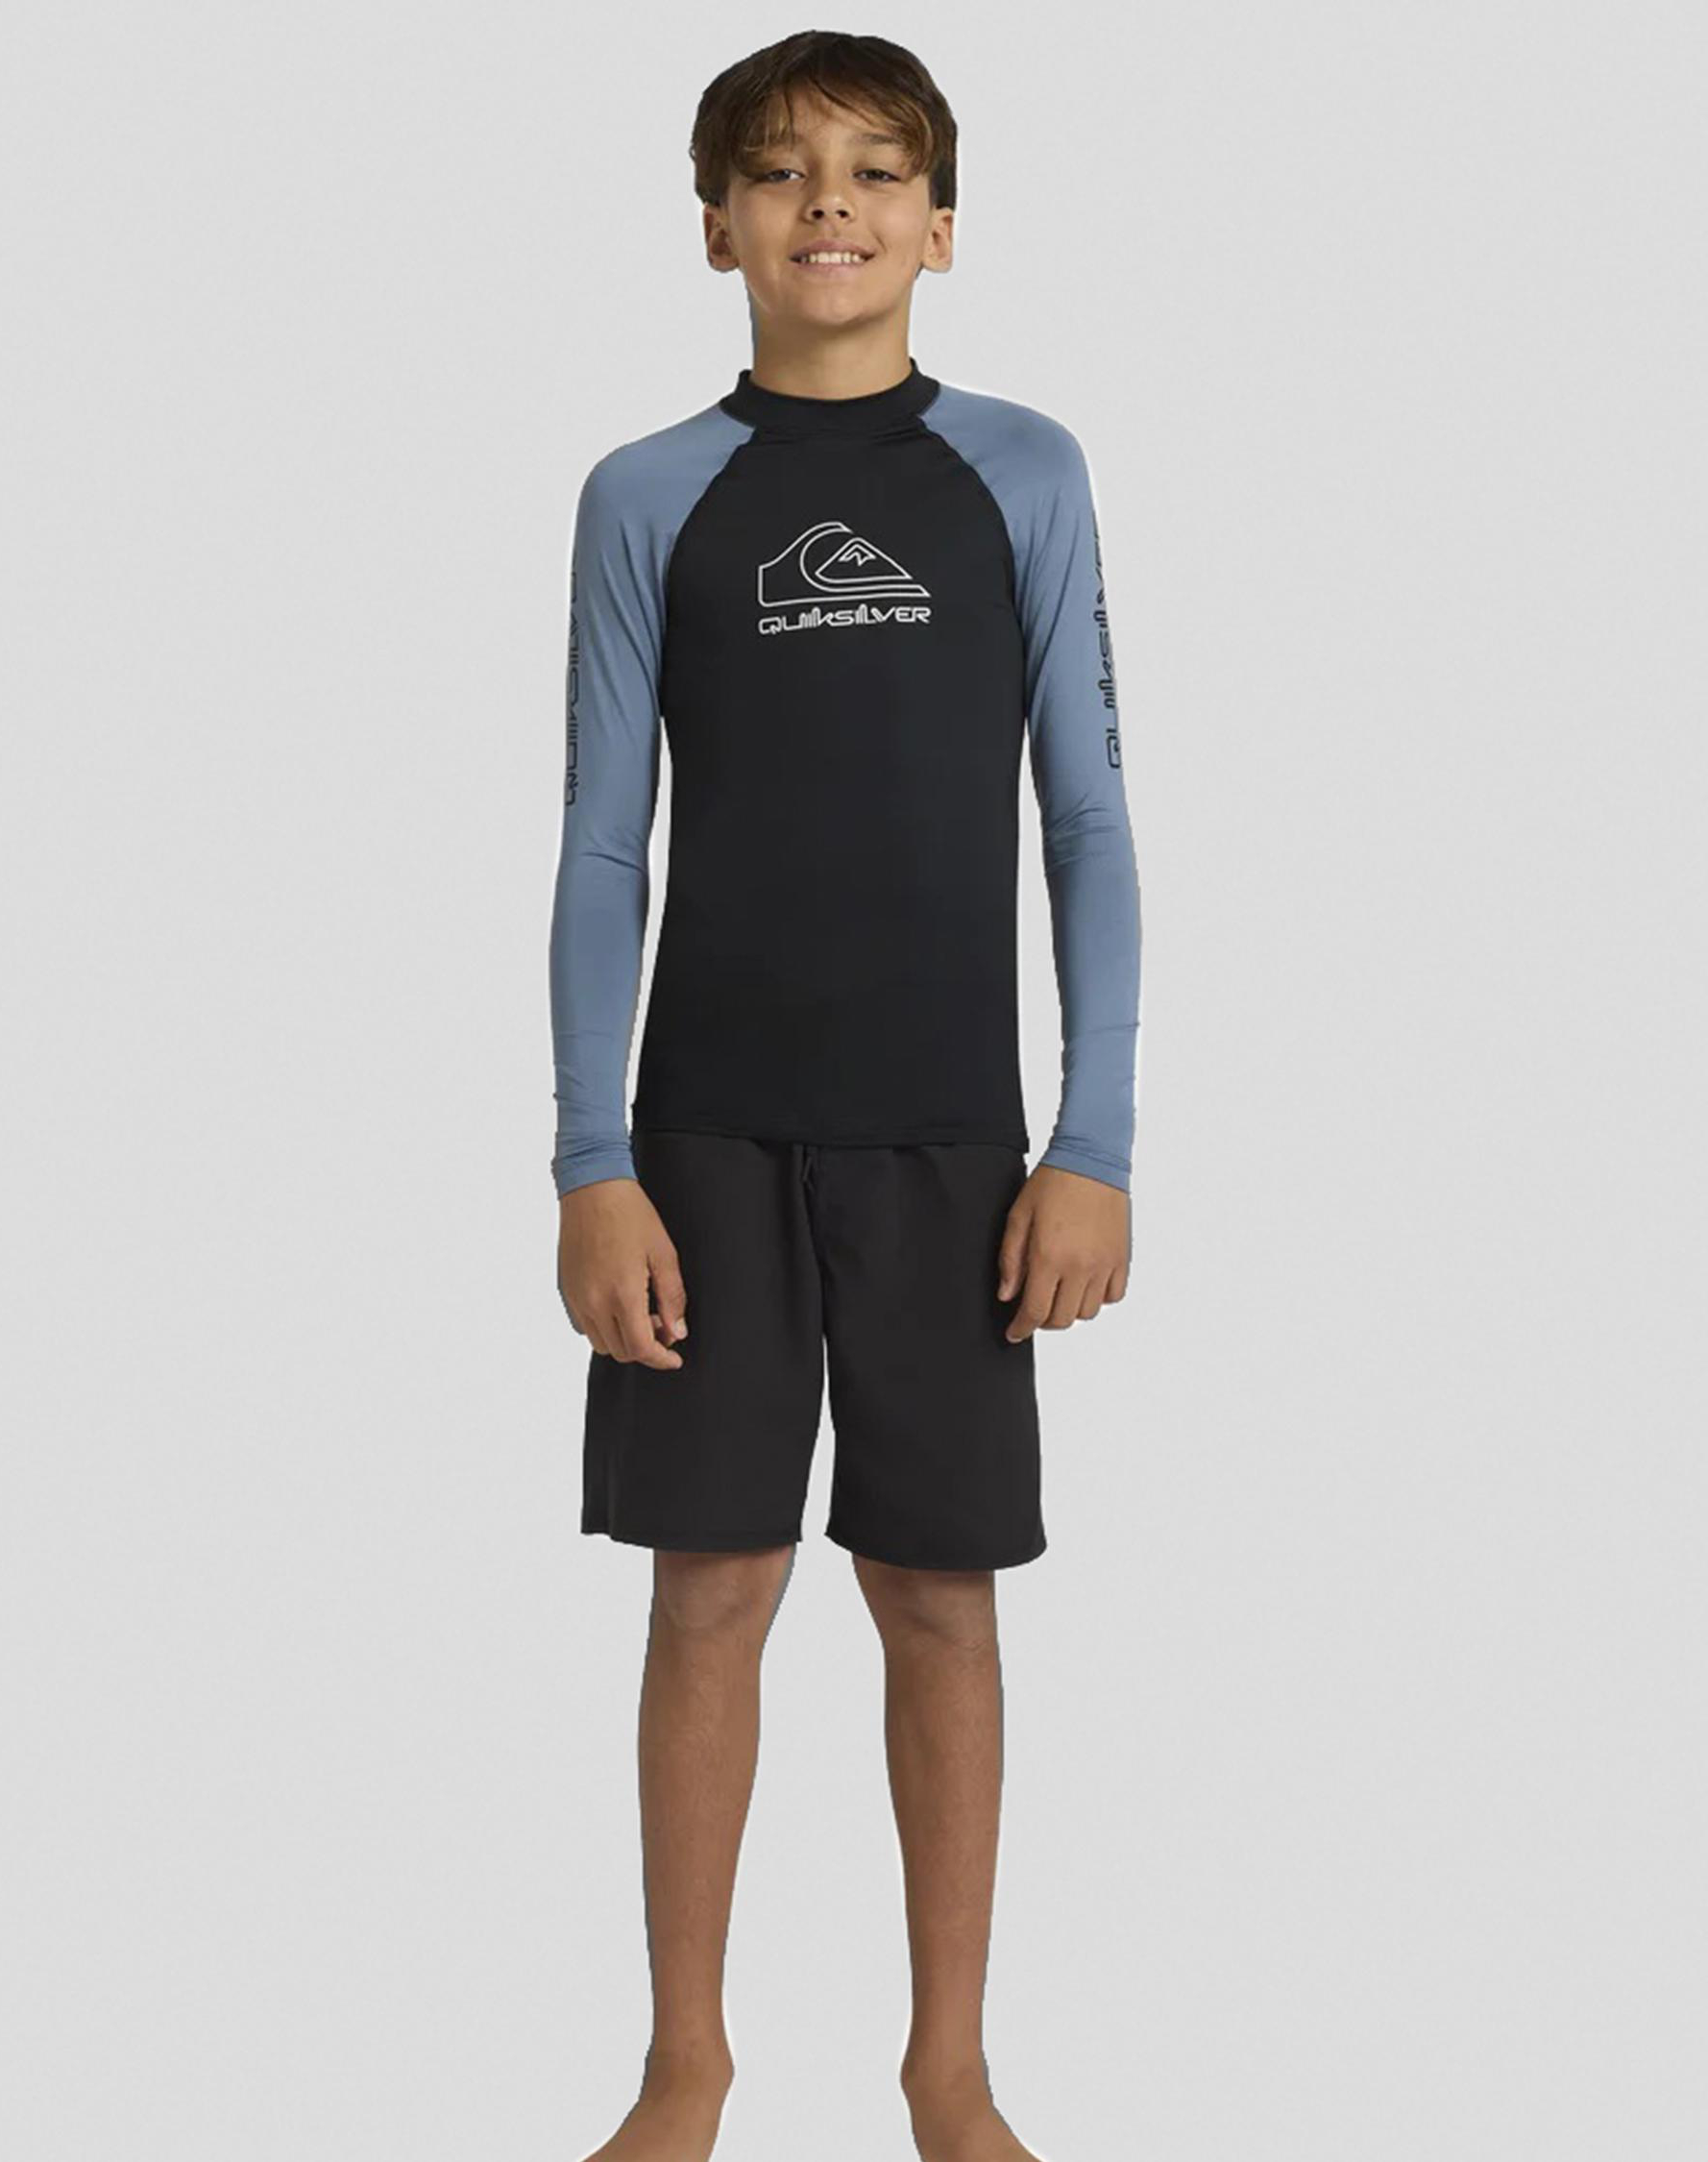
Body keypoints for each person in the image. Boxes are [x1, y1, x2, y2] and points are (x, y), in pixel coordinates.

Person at [549, 30, 1141, 2162]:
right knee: (707, 1592)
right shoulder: (646, 493)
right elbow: (603, 845)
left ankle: (948, 2070)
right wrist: (593, 1160)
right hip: (703, 1136)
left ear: (942, 226)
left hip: (954, 1141)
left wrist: (1092, 1142)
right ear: (715, 223)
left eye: (879, 172)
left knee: (938, 1598)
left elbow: (1088, 819)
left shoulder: (1025, 471)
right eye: (783, 171)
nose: (831, 204)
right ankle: (683, 2066)